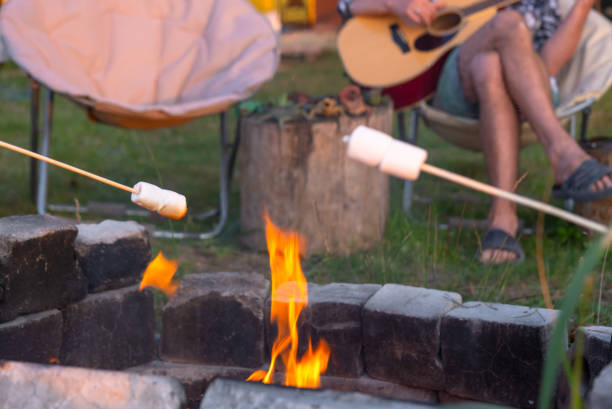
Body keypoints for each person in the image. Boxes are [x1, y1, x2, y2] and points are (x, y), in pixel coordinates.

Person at [338, 0, 612, 264]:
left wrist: (583, 4)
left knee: (489, 64)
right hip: (457, 86)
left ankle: (502, 219)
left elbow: (548, 67)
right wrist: (393, 5)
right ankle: (562, 151)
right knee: (510, 22)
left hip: (530, 93)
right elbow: (346, 4)